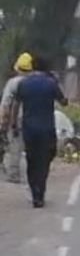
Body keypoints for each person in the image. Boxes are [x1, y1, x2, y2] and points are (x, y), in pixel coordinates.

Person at [6, 55, 66, 208]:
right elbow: (64, 102)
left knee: (32, 160)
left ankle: (35, 194)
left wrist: (13, 125)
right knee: (45, 160)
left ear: (33, 67)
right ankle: (40, 192)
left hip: (29, 129)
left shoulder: (24, 84)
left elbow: (15, 106)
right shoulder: (51, 83)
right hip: (47, 129)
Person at [0, 52, 34, 184]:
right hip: (32, 118)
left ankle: (14, 174)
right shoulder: (34, 82)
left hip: (16, 119)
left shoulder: (13, 83)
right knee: (30, 147)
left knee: (15, 145)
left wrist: (3, 121)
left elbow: (6, 103)